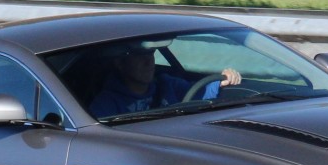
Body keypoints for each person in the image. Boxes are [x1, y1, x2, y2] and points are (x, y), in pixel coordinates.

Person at [89, 42, 240, 118]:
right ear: (121, 64)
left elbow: (200, 93)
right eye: (140, 57)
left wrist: (222, 81)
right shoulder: (106, 104)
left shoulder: (168, 84)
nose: (149, 62)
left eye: (151, 55)